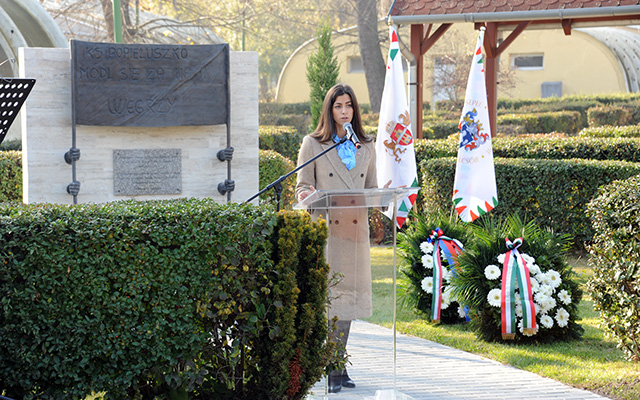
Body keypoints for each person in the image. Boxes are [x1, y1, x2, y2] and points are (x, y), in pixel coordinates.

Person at [296, 83, 377, 394]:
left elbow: (371, 188)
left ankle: (337, 365)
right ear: (329, 111)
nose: (345, 112)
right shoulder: (314, 144)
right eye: (338, 106)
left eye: (349, 106)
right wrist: (307, 194)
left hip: (355, 233)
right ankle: (331, 366)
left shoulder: (366, 146)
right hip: (327, 232)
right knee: (331, 303)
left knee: (349, 302)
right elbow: (301, 186)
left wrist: (387, 197)